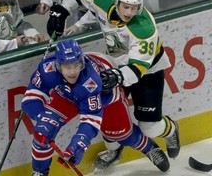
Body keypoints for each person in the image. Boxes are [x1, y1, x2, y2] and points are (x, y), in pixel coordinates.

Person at [45, 0, 181, 170]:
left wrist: (117, 77)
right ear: (117, 1)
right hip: (116, 64)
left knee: (149, 128)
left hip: (147, 71)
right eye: (126, 6)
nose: (129, 12)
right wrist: (62, 10)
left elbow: (137, 68)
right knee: (105, 111)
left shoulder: (143, 29)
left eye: (134, 8)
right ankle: (114, 149)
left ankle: (170, 129)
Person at [22, 39, 170, 176]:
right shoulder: (47, 69)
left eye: (76, 65)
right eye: (67, 67)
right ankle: (39, 172)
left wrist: (79, 144)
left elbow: (91, 118)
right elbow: (32, 97)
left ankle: (148, 147)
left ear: (82, 63)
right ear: (58, 65)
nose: (72, 72)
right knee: (44, 132)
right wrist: (41, 116)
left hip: (105, 95)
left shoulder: (91, 80)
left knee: (121, 134)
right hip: (66, 95)